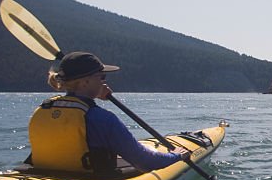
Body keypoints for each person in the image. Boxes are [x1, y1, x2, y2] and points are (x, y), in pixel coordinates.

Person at [28, 51, 189, 173]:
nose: (104, 82)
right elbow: (144, 162)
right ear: (85, 82)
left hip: (46, 177)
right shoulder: (102, 119)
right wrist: (175, 156)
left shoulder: (45, 109)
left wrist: (94, 94)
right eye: (101, 77)